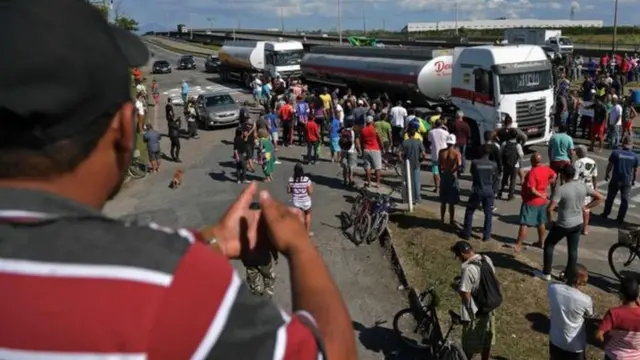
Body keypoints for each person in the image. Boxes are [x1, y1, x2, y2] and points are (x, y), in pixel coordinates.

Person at [0, 0, 358, 358]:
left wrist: (211, 242)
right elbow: (330, 352)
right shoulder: (165, 283)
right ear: (125, 130)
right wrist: (300, 246)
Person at [537, 166, 603, 281]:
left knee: (549, 244)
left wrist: (550, 222)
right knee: (573, 250)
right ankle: (570, 275)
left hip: (563, 223)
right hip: (578, 223)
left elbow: (550, 208)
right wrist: (586, 207)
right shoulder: (582, 186)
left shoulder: (561, 189)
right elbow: (599, 197)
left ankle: (546, 273)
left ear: (563, 175)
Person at [450, 241, 499, 360]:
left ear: (462, 253)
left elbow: (465, 293)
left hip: (478, 311)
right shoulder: (486, 259)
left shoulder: (468, 269)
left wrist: (470, 313)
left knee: (468, 345)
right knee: (487, 339)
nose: (459, 259)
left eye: (459, 256)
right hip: (491, 307)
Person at [548, 264, 593, 360]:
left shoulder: (553, 288)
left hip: (555, 340)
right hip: (575, 345)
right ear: (578, 281)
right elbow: (590, 314)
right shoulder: (585, 299)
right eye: (584, 280)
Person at [514, 153, 556, 254]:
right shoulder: (545, 168)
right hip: (542, 201)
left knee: (524, 223)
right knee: (540, 222)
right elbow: (554, 175)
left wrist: (539, 194)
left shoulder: (532, 172)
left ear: (532, 161)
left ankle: (519, 245)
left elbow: (532, 190)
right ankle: (541, 242)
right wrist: (547, 184)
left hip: (531, 201)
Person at [595, 277, 640, 359]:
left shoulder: (614, 313)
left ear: (621, 295)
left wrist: (606, 344)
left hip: (614, 355)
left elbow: (598, 335)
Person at [461, 145, 497, 242]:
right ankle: (487, 235)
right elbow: (495, 178)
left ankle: (467, 232)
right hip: (489, 189)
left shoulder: (475, 163)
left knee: (470, 211)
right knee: (488, 213)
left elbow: (473, 173)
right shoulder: (493, 164)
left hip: (477, 189)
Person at [602, 135, 639, 224]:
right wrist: (633, 180)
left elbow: (610, 165)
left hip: (616, 179)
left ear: (622, 143)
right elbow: (635, 170)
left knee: (610, 197)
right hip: (627, 181)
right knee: (625, 200)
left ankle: (606, 214)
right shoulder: (635, 156)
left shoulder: (616, 153)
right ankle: (620, 218)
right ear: (632, 144)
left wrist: (607, 174)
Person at [399, 123, 427, 206]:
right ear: (415, 134)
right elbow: (424, 154)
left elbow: (399, 154)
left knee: (406, 182)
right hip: (416, 164)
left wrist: (401, 161)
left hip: (406, 165)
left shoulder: (404, 142)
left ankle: (406, 198)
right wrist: (421, 160)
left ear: (407, 133)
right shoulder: (418, 142)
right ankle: (417, 198)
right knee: (416, 182)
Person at [573, 145, 598, 235]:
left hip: (579, 187)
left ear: (579, 152)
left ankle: (577, 225)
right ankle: (585, 227)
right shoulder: (593, 162)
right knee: (586, 208)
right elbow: (595, 176)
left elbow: (575, 177)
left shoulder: (578, 162)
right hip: (589, 186)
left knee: (578, 207)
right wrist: (595, 187)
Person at [438, 134, 461, 224]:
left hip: (444, 175)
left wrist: (441, 173)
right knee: (452, 201)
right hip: (452, 176)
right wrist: (454, 171)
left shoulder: (441, 152)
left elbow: (439, 165)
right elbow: (459, 165)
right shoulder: (456, 153)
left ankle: (442, 219)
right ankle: (451, 220)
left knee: (443, 200)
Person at [288, 163, 314, 235]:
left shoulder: (291, 179)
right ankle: (306, 232)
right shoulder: (306, 179)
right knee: (307, 214)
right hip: (305, 201)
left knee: (298, 217)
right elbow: (310, 191)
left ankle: (298, 232)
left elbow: (289, 191)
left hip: (296, 201)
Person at [498, 128, 523, 201]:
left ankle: (500, 192)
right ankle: (510, 195)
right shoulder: (518, 145)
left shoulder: (504, 143)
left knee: (504, 178)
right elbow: (521, 155)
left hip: (506, 164)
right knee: (513, 180)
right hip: (515, 165)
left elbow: (500, 152)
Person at [548, 123, 574, 189]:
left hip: (555, 161)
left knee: (553, 177)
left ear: (559, 129)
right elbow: (571, 152)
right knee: (566, 177)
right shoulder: (569, 138)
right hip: (565, 161)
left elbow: (549, 150)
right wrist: (571, 161)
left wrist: (550, 159)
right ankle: (563, 191)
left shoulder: (553, 137)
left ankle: (553, 193)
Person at [361, 115, 384, 188]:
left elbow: (361, 141)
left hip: (366, 149)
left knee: (368, 167)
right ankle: (377, 183)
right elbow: (380, 139)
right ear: (372, 121)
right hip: (375, 149)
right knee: (377, 168)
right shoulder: (375, 129)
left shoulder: (363, 130)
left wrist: (362, 149)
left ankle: (369, 183)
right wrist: (382, 148)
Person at [428, 120, 450, 193]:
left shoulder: (431, 132)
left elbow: (429, 140)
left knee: (435, 171)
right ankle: (444, 187)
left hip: (435, 154)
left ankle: (437, 187)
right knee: (444, 171)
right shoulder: (446, 132)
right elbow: (448, 141)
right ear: (442, 125)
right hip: (444, 154)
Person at [450, 110, 470, 175]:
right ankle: (463, 168)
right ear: (462, 116)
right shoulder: (466, 124)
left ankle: (457, 167)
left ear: (456, 116)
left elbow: (451, 132)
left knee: (456, 155)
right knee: (463, 155)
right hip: (463, 142)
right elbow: (468, 134)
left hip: (456, 142)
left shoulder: (453, 124)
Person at [340, 119, 358, 187]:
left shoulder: (343, 131)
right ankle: (350, 179)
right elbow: (355, 141)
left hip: (344, 150)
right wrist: (358, 149)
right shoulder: (353, 131)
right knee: (351, 166)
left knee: (344, 166)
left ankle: (345, 180)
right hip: (351, 150)